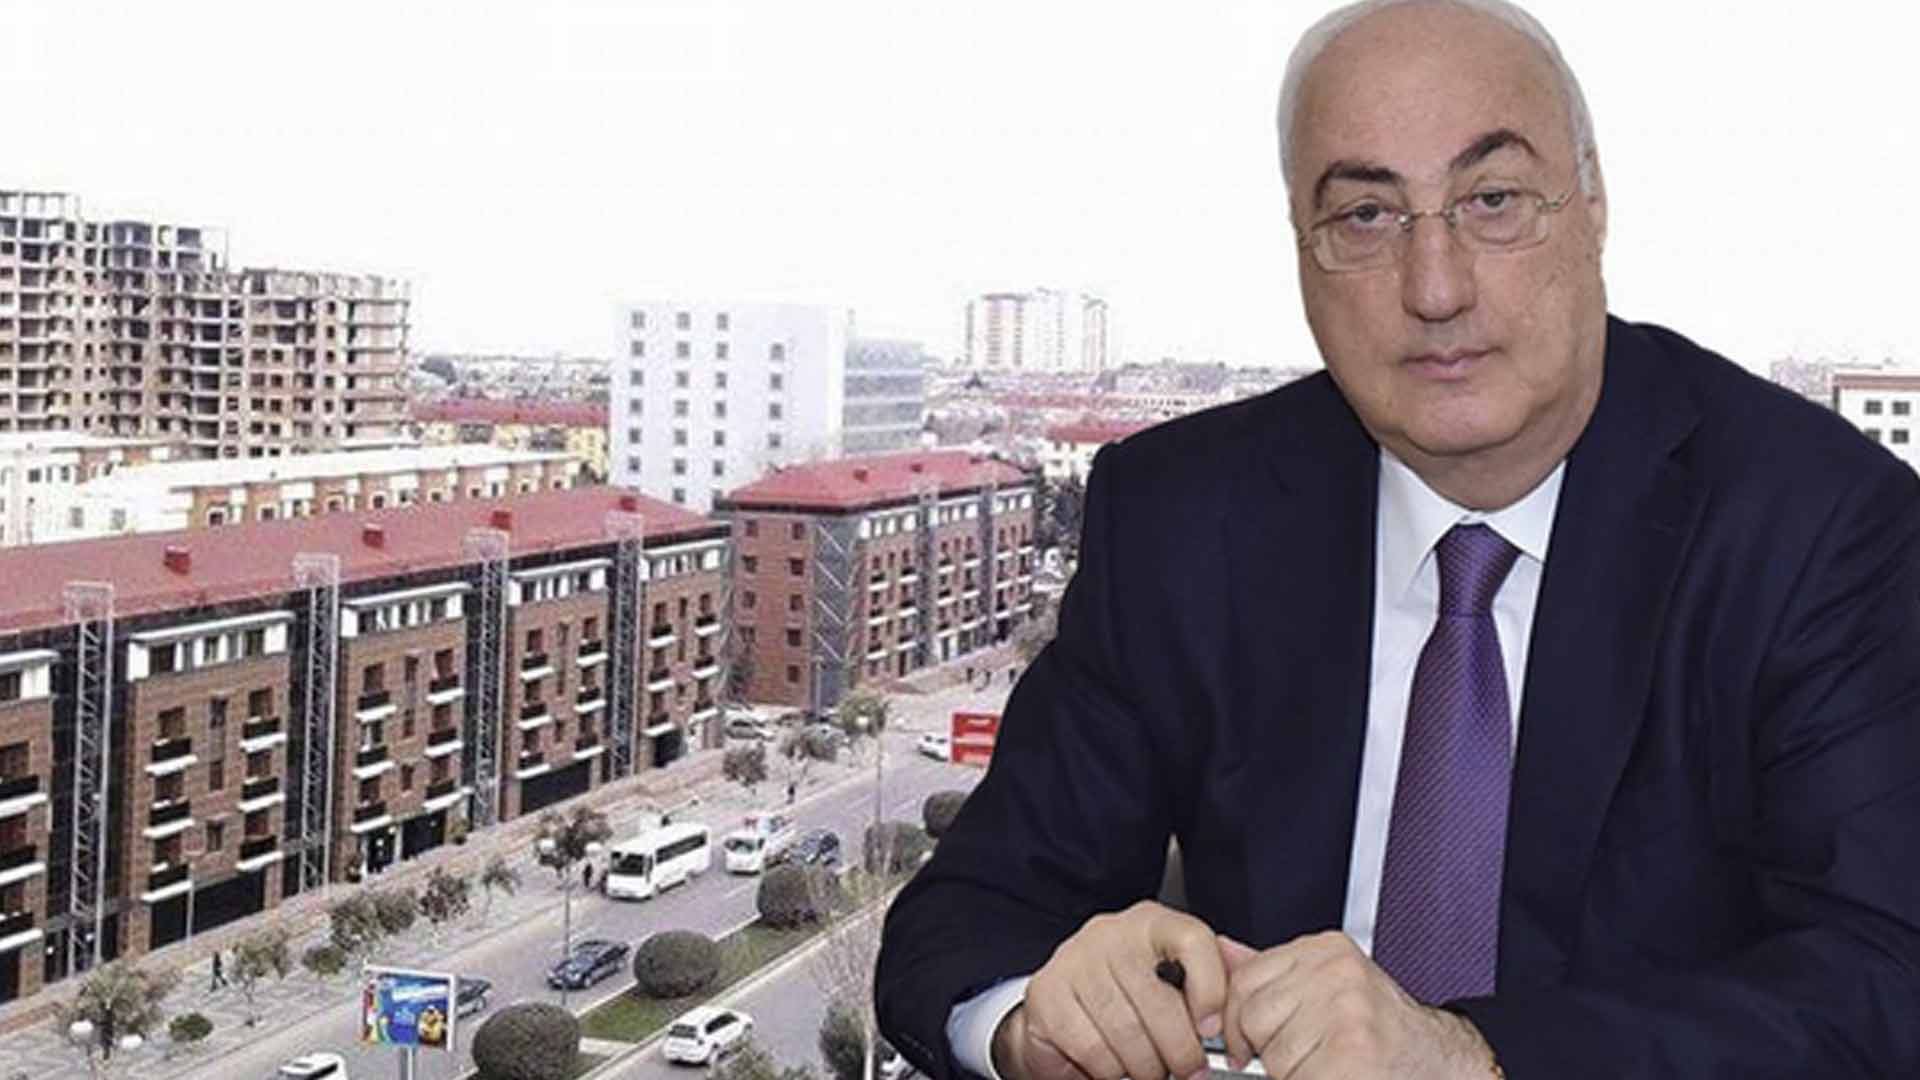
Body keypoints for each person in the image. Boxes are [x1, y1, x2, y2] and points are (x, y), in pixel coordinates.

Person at [875, 1, 1920, 1077]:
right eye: (1367, 216)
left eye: (1493, 200)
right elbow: (966, 918)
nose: (1435, 288)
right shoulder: (1182, 515)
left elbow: (1887, 982)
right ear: (1302, 249)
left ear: (1593, 203)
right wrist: (1039, 1021)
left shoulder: (1819, 527)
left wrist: (1468, 1059)